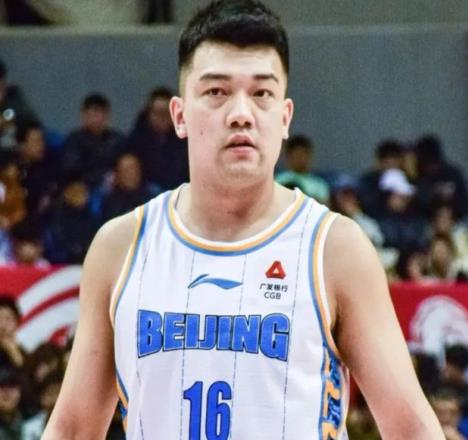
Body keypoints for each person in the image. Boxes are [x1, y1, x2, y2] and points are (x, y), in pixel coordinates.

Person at [43, 1, 444, 439]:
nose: (240, 113)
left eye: (261, 93)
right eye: (217, 92)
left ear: (284, 117)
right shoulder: (120, 247)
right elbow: (73, 429)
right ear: (179, 115)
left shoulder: (334, 249)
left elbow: (412, 429)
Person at [275, 134, 330, 205]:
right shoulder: (278, 181)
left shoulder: (319, 185)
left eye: (304, 155)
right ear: (289, 157)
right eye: (297, 155)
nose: (301, 160)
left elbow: (325, 207)